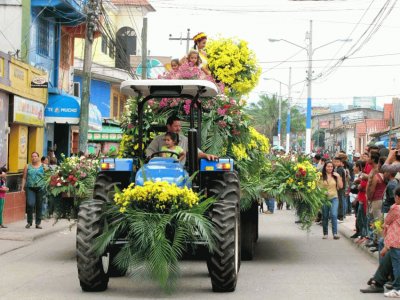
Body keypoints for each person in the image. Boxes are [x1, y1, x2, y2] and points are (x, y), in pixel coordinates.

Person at [146, 116, 218, 164]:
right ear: (168, 126)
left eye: (179, 126)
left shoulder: (184, 140)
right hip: (161, 169)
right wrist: (152, 159)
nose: (178, 129)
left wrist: (206, 155)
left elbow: (195, 152)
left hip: (179, 170)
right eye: (176, 126)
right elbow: (150, 151)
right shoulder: (158, 139)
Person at [380, 187, 400, 297]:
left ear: (397, 197)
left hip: (396, 241)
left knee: (397, 265)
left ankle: (397, 288)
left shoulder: (396, 208)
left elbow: (386, 221)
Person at [319, 160, 343, 240]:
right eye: (328, 166)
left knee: (334, 214)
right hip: (324, 199)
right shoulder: (321, 176)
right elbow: (317, 187)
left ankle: (335, 233)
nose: (330, 168)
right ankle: (325, 233)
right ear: (325, 167)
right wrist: (323, 193)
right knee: (325, 215)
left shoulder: (336, 176)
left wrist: (339, 177)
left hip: (334, 198)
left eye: (331, 167)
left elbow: (341, 186)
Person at [21, 152, 45, 229]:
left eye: (35, 156)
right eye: (32, 156)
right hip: (30, 187)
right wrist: (22, 188)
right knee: (30, 204)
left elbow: (48, 177)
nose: (33, 157)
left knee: (39, 205)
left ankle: (38, 223)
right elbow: (24, 177)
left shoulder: (43, 166)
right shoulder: (27, 166)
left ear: (38, 157)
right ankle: (29, 222)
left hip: (40, 188)